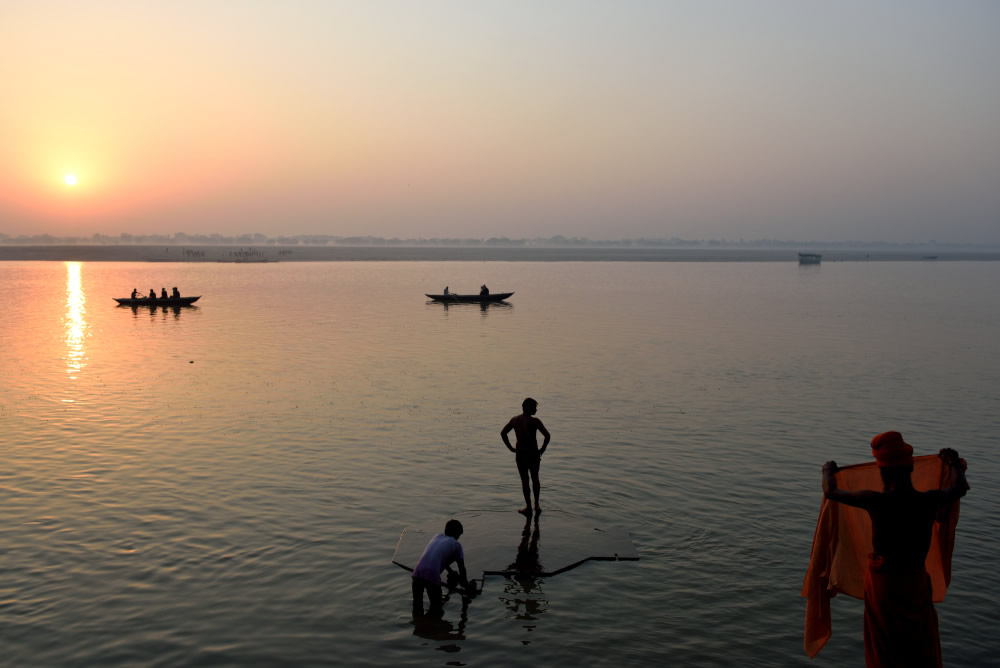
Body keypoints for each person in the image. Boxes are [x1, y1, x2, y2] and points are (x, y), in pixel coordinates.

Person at [822, 432, 968, 667]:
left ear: (882, 471)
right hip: (915, 582)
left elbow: (831, 491)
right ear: (911, 469)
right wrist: (952, 462)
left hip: (885, 586)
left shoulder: (876, 501)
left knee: (886, 647)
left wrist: (827, 470)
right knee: (919, 643)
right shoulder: (927, 501)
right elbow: (959, 488)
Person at [501, 398, 551, 515]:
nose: (536, 410)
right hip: (533, 453)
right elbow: (547, 436)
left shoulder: (515, 420)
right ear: (527, 408)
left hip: (521, 454)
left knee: (525, 481)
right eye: (534, 407)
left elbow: (503, 433)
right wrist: (542, 450)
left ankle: (528, 507)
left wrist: (510, 448)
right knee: (535, 479)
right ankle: (536, 506)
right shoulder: (535, 421)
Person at [411, 519, 469, 616]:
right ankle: (434, 628)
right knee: (437, 609)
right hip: (431, 576)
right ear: (457, 534)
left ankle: (418, 628)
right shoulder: (456, 545)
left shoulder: (437, 536)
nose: (458, 538)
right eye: (459, 535)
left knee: (417, 606)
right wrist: (467, 586)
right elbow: (462, 569)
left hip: (417, 573)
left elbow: (440, 557)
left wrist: (450, 572)